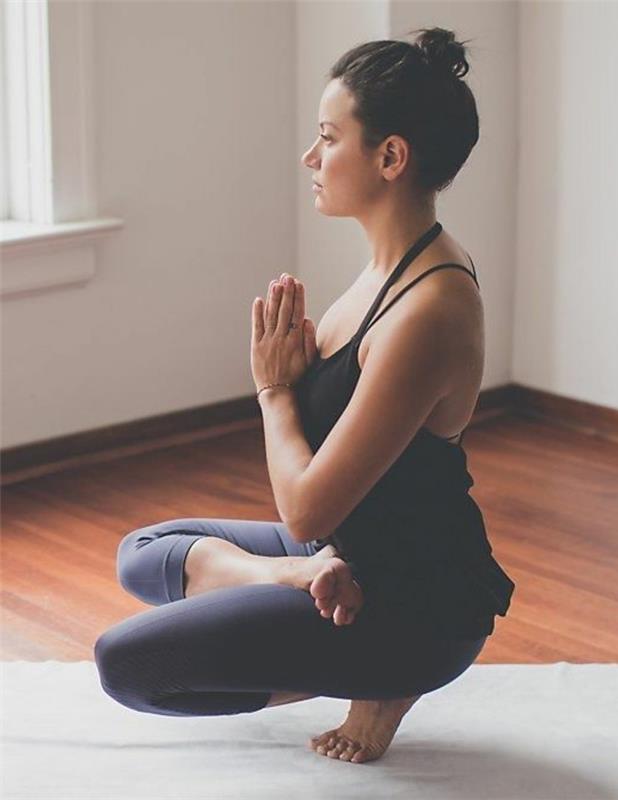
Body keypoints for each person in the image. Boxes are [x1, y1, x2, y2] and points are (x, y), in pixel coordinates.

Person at [94, 26, 515, 766]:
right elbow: (318, 518)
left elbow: (307, 508)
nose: (309, 158)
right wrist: (292, 564)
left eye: (328, 137)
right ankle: (291, 577)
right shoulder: (391, 264)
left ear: (390, 157)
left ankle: (385, 681)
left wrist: (273, 391)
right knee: (143, 551)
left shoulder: (430, 310)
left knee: (127, 664)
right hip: (339, 556)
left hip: (411, 605)